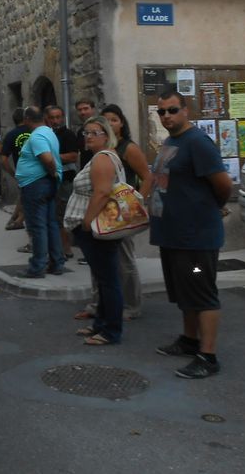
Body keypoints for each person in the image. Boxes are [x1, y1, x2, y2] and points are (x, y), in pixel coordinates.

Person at [150, 91, 233, 379]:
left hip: (195, 238)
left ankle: (208, 356)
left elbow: (223, 185)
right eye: (161, 112)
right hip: (172, 236)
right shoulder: (171, 142)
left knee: (201, 292)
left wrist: (212, 208)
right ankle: (189, 340)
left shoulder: (198, 143)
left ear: (186, 110)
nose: (166, 116)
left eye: (172, 110)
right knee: (184, 291)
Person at [78, 103, 153, 320]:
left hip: (119, 211)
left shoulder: (127, 148)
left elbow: (147, 177)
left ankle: (131, 305)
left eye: (115, 119)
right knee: (97, 261)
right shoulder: (97, 148)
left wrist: (137, 202)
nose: (111, 123)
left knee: (124, 261)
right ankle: (97, 304)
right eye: (106, 120)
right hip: (100, 210)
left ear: (121, 123)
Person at [63, 116, 124, 345]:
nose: (88, 136)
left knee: (108, 280)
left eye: (94, 133)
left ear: (106, 136)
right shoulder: (99, 157)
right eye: (86, 132)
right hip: (94, 228)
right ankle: (101, 324)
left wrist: (87, 222)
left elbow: (102, 193)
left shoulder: (102, 159)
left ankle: (111, 331)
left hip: (96, 228)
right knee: (103, 278)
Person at [15, 106, 65, 278]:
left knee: (37, 227)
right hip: (44, 184)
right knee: (50, 224)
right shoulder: (49, 132)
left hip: (36, 185)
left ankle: (37, 267)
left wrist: (51, 171)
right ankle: (56, 263)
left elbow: (47, 158)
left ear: (27, 119)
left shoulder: (37, 136)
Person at [45, 106, 79, 260]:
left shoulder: (68, 134)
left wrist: (50, 157)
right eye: (52, 117)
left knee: (62, 216)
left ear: (63, 117)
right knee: (53, 215)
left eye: (58, 117)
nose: (55, 120)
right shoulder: (46, 134)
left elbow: (73, 156)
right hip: (50, 180)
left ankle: (66, 248)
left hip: (65, 181)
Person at [0, 108, 31, 233]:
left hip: (22, 172)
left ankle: (16, 219)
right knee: (28, 199)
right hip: (37, 171)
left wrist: (13, 173)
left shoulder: (11, 135)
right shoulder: (34, 131)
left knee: (24, 196)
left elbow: (3, 160)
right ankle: (18, 220)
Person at [75, 98, 98, 170]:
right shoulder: (80, 132)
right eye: (80, 110)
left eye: (86, 109)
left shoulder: (100, 128)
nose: (83, 112)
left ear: (93, 109)